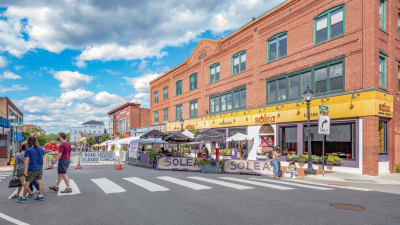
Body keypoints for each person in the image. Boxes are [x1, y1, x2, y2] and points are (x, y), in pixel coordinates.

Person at [17, 136, 45, 202]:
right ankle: (41, 196)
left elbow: (26, 161)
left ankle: (23, 198)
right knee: (39, 181)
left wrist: (25, 170)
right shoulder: (41, 148)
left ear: (28, 141)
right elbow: (42, 156)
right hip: (39, 168)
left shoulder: (28, 150)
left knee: (27, 183)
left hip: (31, 169)